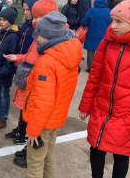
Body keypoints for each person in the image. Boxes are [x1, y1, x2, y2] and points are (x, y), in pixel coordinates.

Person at [78, 0, 130, 178]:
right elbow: (95, 76)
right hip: (102, 107)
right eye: (112, 20)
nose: (112, 25)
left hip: (128, 114)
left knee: (122, 154)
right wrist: (86, 105)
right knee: (96, 148)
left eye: (119, 21)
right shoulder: (107, 41)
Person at [22, 11, 82, 177]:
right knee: (48, 157)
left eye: (38, 34)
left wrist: (33, 130)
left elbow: (43, 102)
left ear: (47, 37)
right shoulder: (67, 54)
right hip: (54, 120)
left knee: (34, 163)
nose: (36, 38)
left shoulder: (47, 62)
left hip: (41, 124)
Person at [4, 0, 59, 167]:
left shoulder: (48, 40)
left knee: (35, 123)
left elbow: (43, 67)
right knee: (26, 117)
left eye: (36, 17)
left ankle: (32, 154)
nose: (32, 20)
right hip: (29, 83)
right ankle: (27, 147)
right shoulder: (38, 36)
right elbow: (30, 57)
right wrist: (19, 58)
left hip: (36, 87)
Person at [81, 0, 111, 73]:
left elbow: (84, 22)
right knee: (103, 51)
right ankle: (101, 67)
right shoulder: (109, 11)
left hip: (92, 34)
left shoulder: (92, 10)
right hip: (104, 35)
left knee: (90, 51)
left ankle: (90, 68)